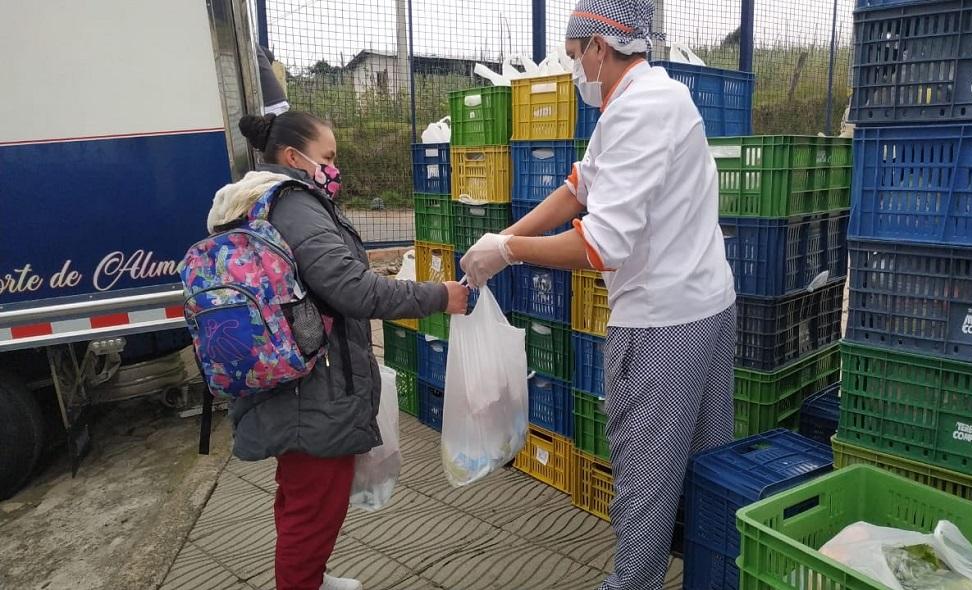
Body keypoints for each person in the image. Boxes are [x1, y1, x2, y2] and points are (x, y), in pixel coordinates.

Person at [460, 1, 737, 588]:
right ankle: (714, 575)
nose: (572, 72)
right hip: (708, 305)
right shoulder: (653, 96)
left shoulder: (640, 109)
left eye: (572, 57)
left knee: (645, 482)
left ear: (598, 48)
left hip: (662, 325)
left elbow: (601, 244)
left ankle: (632, 582)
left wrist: (508, 254)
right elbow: (579, 187)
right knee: (711, 468)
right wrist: (503, 236)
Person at [209, 110, 469, 590]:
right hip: (313, 387)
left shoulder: (254, 201)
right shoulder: (295, 205)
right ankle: (302, 581)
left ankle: (311, 576)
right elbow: (353, 290)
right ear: (294, 156)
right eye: (327, 157)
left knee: (300, 497)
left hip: (286, 379)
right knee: (313, 507)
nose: (333, 167)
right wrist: (438, 296)